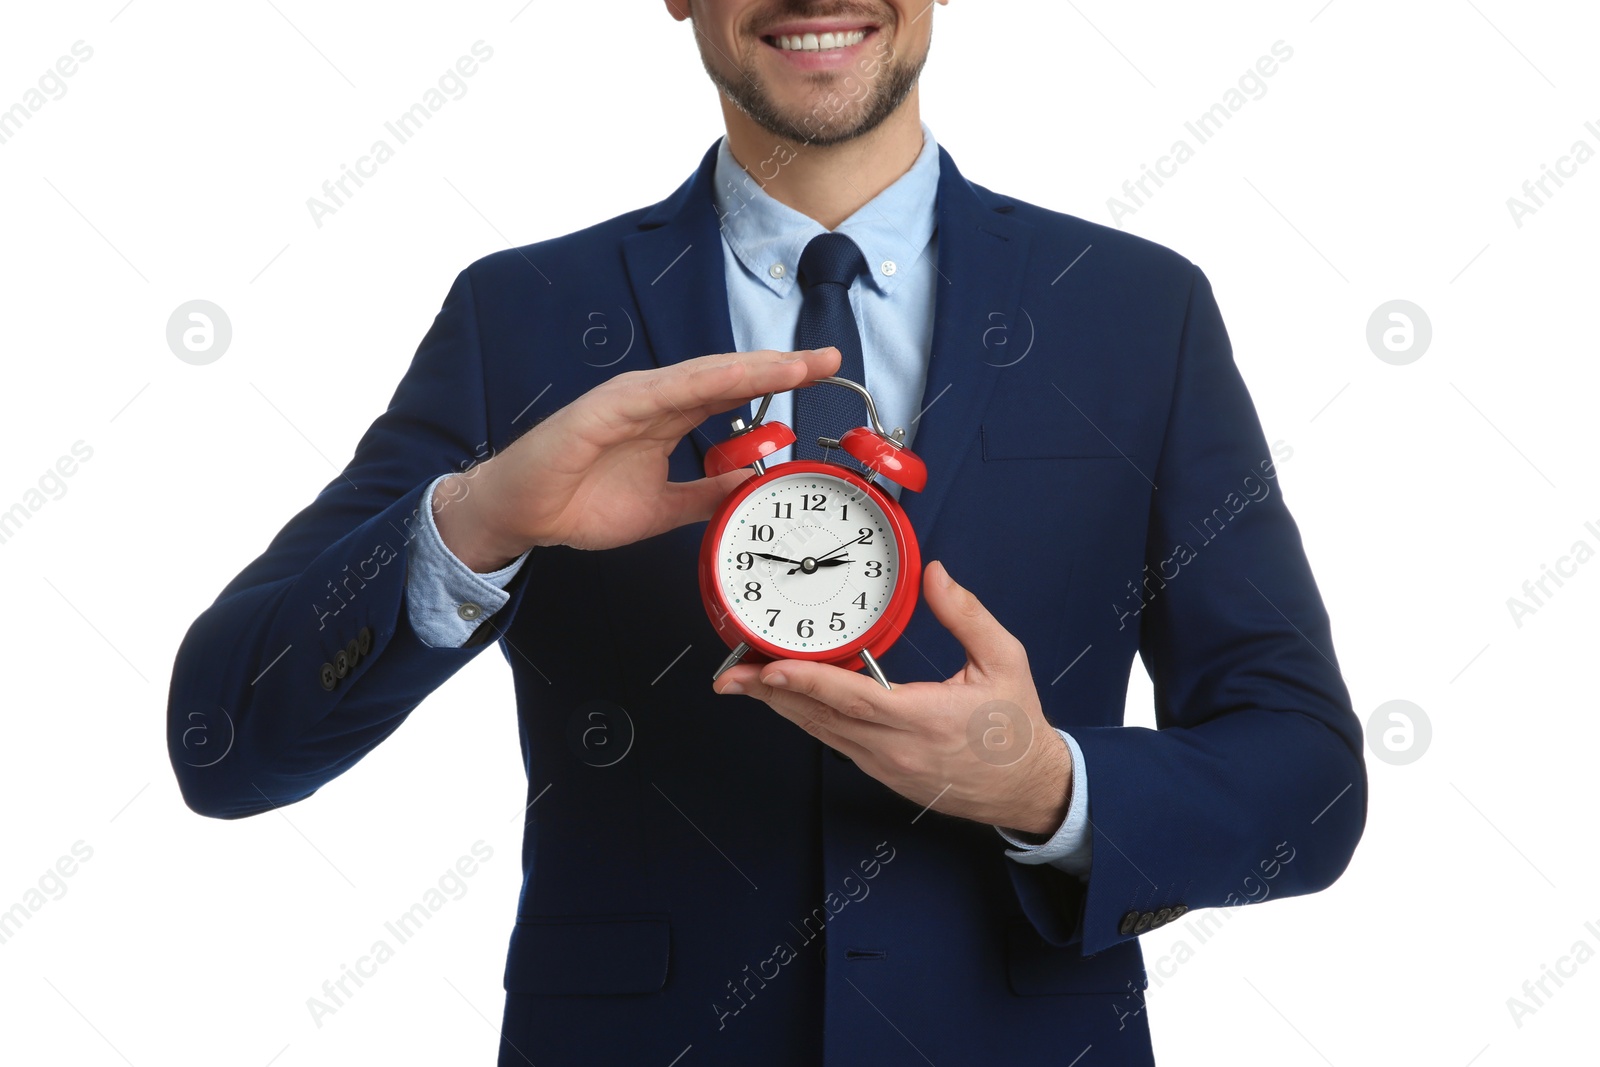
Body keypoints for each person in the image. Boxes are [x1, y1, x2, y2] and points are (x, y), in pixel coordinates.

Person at [167, 2, 1367, 1063]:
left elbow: (1307, 778)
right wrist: (478, 522)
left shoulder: (1132, 310)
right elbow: (223, 741)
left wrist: (1046, 784)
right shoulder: (525, 318)